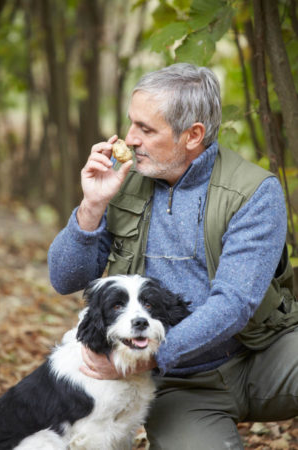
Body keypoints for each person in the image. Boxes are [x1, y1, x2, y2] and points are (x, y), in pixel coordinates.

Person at [48, 63, 298, 449]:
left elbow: (233, 303)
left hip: (263, 355)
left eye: (146, 129)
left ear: (193, 135)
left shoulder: (253, 192)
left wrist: (149, 356)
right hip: (182, 385)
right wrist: (92, 206)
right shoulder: (124, 183)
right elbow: (65, 279)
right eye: (132, 124)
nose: (130, 139)